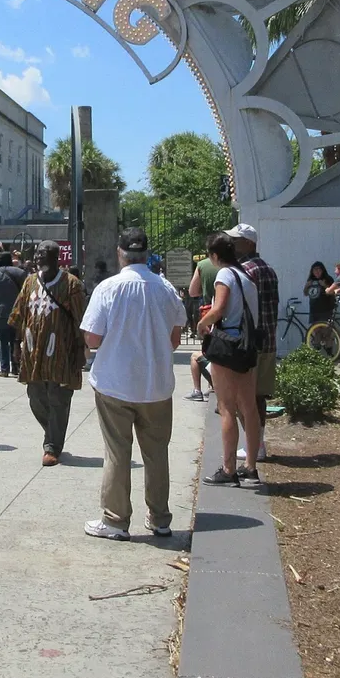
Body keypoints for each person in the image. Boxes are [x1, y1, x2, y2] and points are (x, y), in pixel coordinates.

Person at [79, 229, 188, 540]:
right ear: (147, 254)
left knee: (117, 452)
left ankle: (115, 520)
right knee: (157, 453)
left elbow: (93, 338)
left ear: (120, 253)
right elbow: (176, 339)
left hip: (115, 383)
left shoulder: (108, 288)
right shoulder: (166, 288)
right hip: (156, 385)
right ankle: (160, 518)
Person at [9, 241, 86, 466]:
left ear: (56, 257)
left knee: (59, 398)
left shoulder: (72, 284)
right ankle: (53, 432)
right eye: (38, 253)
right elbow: (19, 314)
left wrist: (81, 349)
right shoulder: (30, 282)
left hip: (61, 350)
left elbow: (81, 319)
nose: (39, 256)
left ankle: (52, 445)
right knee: (36, 397)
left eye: (44, 253)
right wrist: (16, 344)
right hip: (33, 351)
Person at [196, 232, 262, 485]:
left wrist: (203, 323)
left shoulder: (224, 274)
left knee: (226, 408)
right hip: (247, 346)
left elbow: (220, 308)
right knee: (249, 408)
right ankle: (251, 467)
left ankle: (228, 469)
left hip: (228, 347)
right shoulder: (247, 276)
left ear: (214, 255)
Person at [231, 224, 278, 460]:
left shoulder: (245, 270)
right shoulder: (268, 269)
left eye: (237, 240)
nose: (233, 245)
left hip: (249, 343)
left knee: (243, 397)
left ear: (248, 243)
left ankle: (253, 445)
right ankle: (258, 444)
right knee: (259, 396)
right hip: (268, 340)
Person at [185, 246, 221, 401]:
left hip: (209, 311)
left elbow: (193, 292)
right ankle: (213, 386)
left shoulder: (202, 265)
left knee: (205, 351)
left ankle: (197, 390)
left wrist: (204, 290)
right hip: (230, 314)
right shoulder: (232, 265)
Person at [0, 251, 26, 378]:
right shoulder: (20, 273)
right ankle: (16, 367)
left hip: (0, 312)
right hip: (17, 311)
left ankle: (4, 369)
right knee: (16, 341)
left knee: (3, 342)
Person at [304, 261, 336, 326]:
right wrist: (306, 286)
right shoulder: (311, 280)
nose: (317, 271)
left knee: (325, 332)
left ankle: (339, 336)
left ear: (322, 270)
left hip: (325, 310)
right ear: (312, 271)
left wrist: (324, 285)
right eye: (315, 269)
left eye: (319, 269)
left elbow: (334, 292)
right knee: (315, 331)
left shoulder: (328, 279)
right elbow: (305, 293)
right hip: (314, 310)